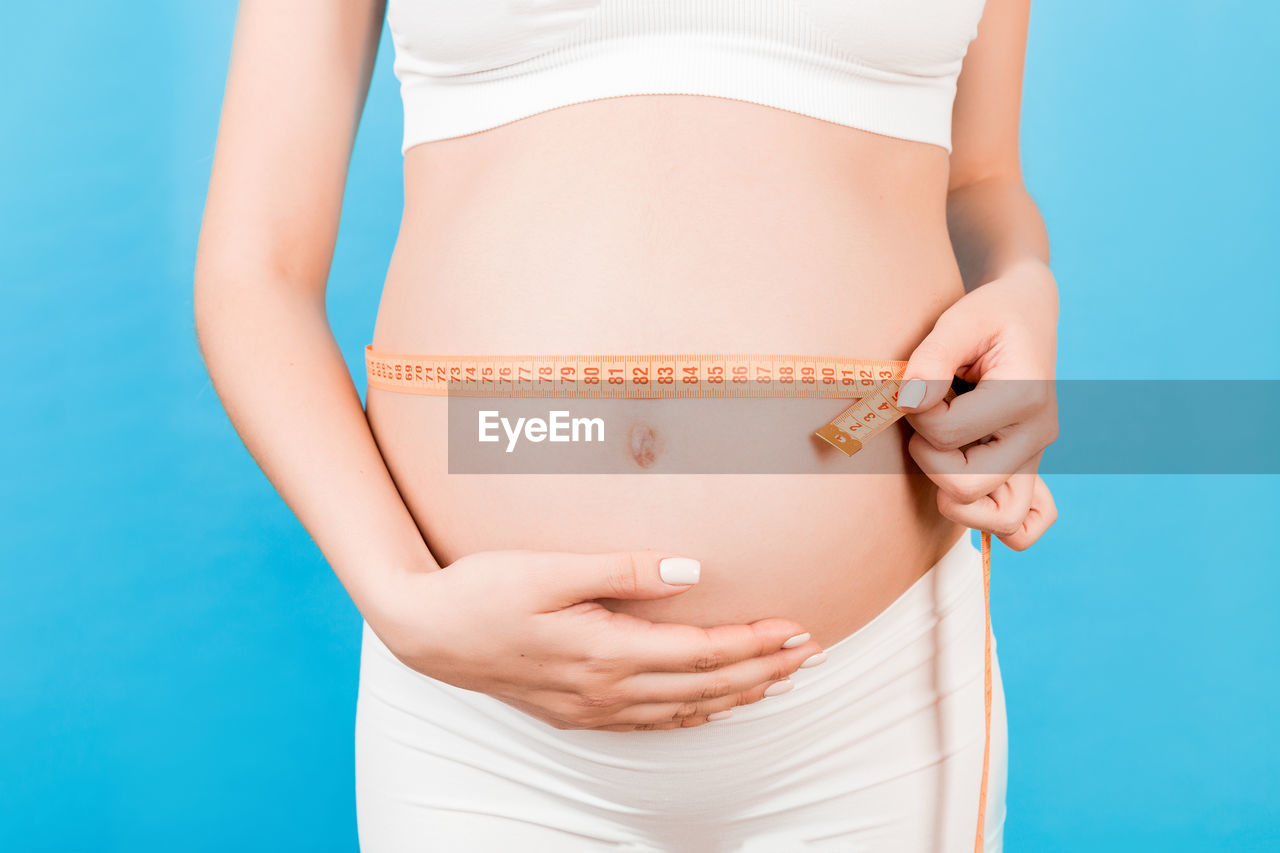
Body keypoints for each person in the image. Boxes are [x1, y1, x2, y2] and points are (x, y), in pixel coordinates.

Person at [194, 0, 1059, 850]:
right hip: (481, 717)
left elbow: (980, 182)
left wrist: (1021, 283)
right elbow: (253, 270)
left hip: (875, 697)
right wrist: (402, 600)